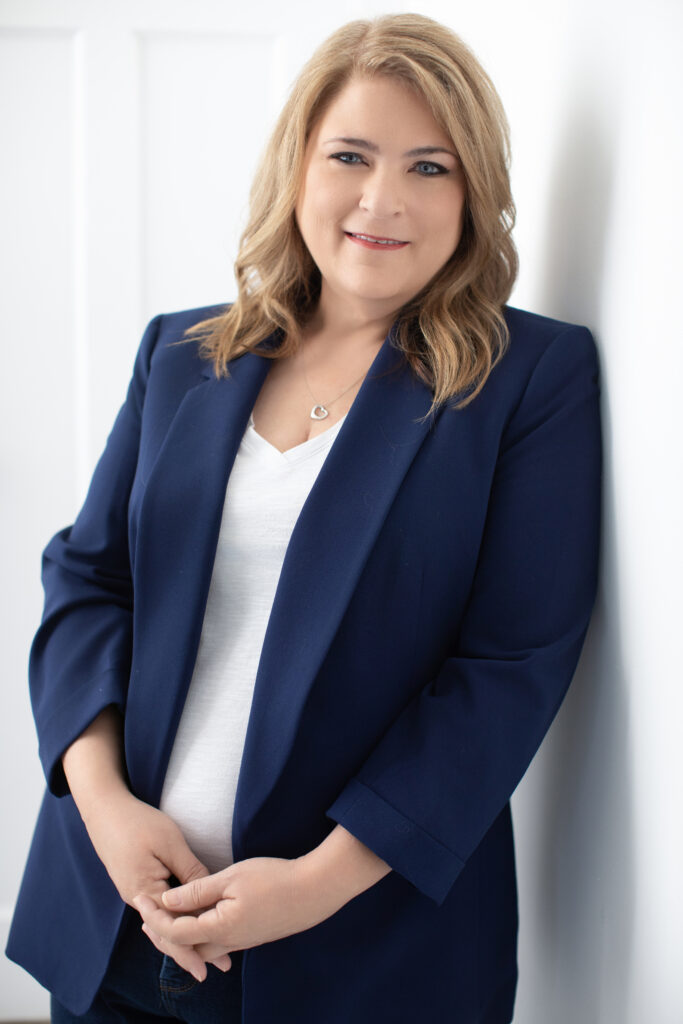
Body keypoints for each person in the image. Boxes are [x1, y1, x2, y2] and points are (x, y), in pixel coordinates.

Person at [7, 12, 602, 1024]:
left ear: (474, 195)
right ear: (297, 169)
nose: (382, 200)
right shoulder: (182, 354)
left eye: (429, 167)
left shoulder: (527, 379)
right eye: (350, 156)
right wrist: (103, 805)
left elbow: (506, 669)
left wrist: (313, 882)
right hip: (120, 915)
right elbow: (88, 577)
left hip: (357, 954)